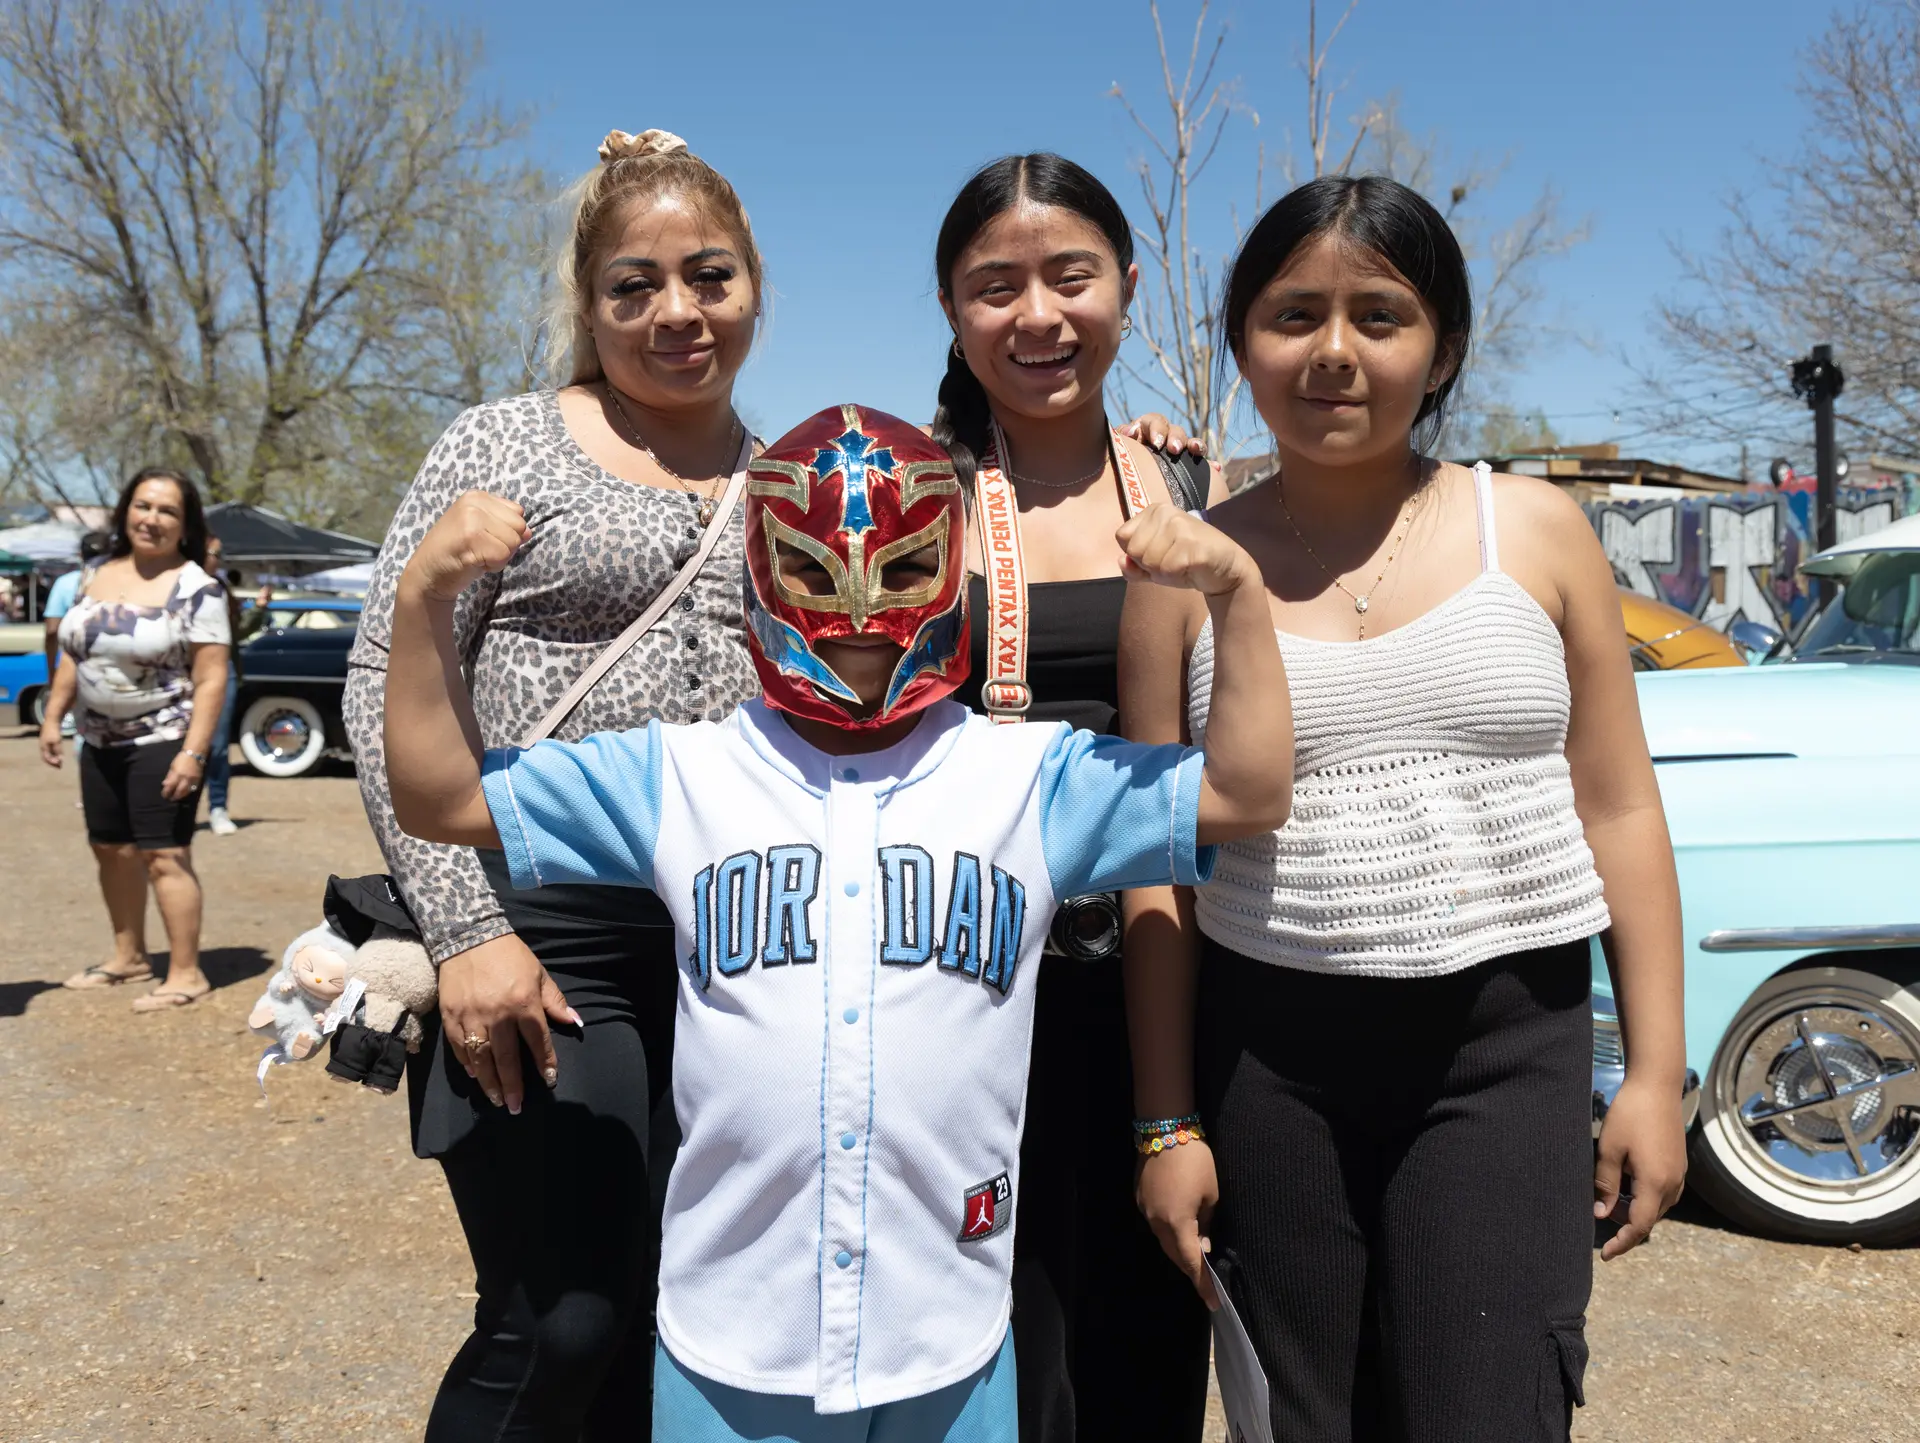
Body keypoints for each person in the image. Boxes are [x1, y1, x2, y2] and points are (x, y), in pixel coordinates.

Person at [378, 403, 1293, 1443]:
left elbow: (1247, 791)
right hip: (730, 1350)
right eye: (816, 572)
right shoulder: (680, 773)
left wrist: (1239, 593)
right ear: (765, 569)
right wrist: (423, 601)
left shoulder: (1029, 775)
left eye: (901, 571)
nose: (860, 616)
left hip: (950, 1343)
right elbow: (443, 797)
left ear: (950, 565)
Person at [1122, 175, 1689, 1442]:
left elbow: (1620, 809)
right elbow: (1151, 867)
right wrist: (1167, 1121)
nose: (1334, 353)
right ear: (1242, 343)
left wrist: (1655, 1073)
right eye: (1293, 315)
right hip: (1269, 1061)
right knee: (1301, 1416)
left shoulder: (1535, 532)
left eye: (1380, 315)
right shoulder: (1180, 573)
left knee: (1491, 1406)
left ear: (1443, 349)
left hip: (1505, 1048)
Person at [931, 151, 1227, 1443]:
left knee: (1147, 1346)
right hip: (962, 982)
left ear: (1128, 287)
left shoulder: (1190, 487)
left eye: (1071, 277)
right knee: (994, 1349)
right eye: (996, 287)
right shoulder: (913, 498)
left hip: (1165, 962)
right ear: (951, 310)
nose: (1038, 316)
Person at [39, 469, 231, 1012]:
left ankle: (187, 973)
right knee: (110, 849)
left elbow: (212, 676)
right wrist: (54, 717)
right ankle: (128, 956)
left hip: (164, 737)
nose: (152, 519)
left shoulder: (196, 587)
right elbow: (76, 653)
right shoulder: (94, 574)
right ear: (126, 510)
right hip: (98, 739)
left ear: (185, 524)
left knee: (164, 854)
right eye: (144, 506)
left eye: (167, 511)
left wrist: (194, 753)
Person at [202, 534, 244, 835]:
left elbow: (238, 633)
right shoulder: (172, 585)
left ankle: (218, 807)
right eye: (214, 552)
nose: (218, 558)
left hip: (222, 669)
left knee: (217, 745)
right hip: (183, 671)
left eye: (219, 552)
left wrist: (256, 610)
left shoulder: (221, 590)